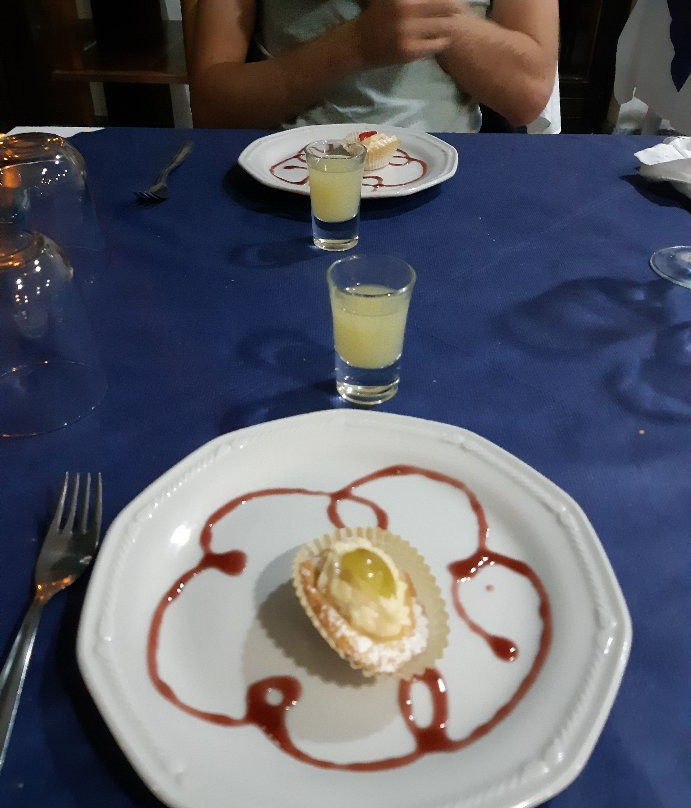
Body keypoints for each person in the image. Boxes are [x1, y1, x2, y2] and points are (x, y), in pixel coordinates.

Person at [189, 0, 559, 132]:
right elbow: (212, 107)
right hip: (288, 180)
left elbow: (527, 93)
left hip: (449, 182)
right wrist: (356, 45)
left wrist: (427, 15)